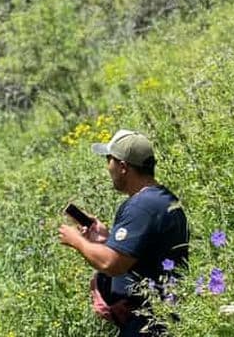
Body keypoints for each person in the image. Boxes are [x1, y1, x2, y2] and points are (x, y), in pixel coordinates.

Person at [58, 129, 190, 336]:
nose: (106, 167)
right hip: (158, 316)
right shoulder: (163, 198)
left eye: (109, 159)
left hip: (150, 323)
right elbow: (140, 256)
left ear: (122, 166)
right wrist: (105, 239)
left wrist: (77, 242)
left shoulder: (141, 207)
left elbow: (112, 264)